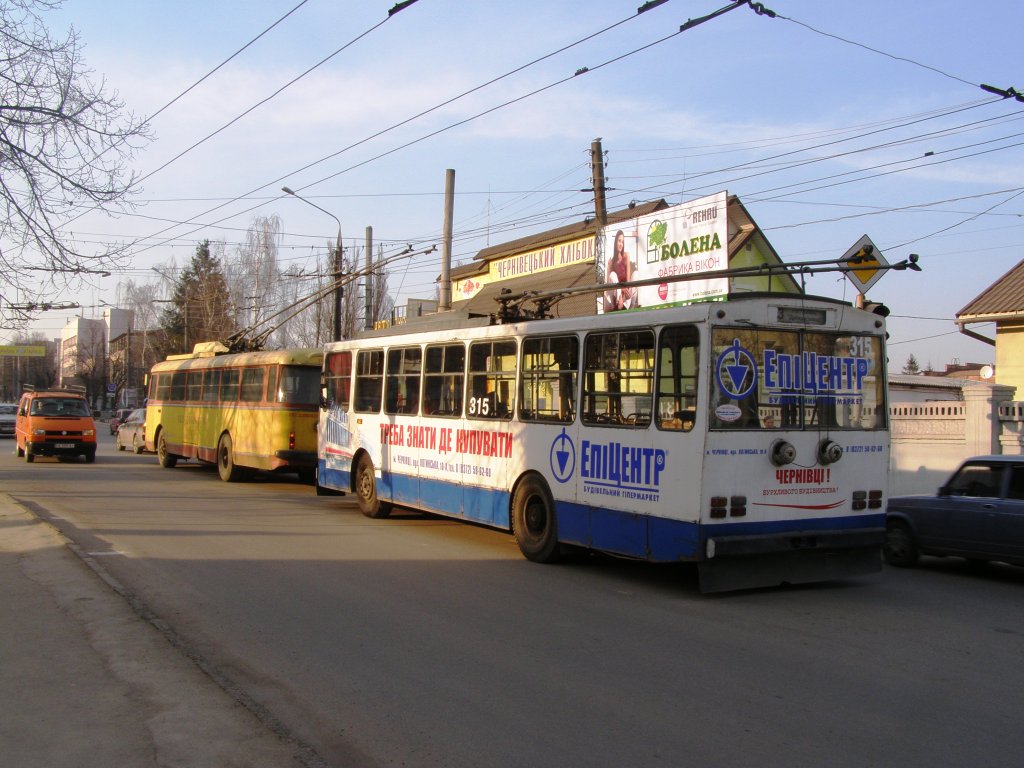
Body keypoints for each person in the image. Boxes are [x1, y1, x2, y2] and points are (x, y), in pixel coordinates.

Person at [604, 230, 637, 311]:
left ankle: (631, 306)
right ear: (615, 242)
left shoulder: (626, 255)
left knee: (636, 274)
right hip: (617, 298)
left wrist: (626, 294)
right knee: (612, 274)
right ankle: (619, 302)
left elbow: (628, 279)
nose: (621, 244)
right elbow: (609, 285)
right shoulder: (611, 262)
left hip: (626, 296)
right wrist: (608, 268)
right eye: (619, 241)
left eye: (622, 242)